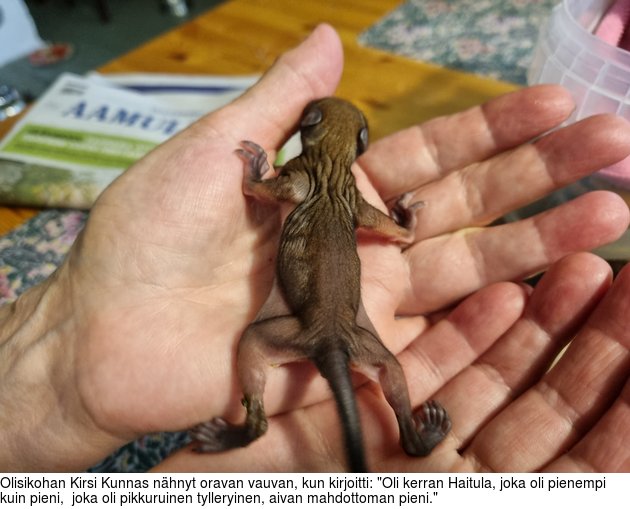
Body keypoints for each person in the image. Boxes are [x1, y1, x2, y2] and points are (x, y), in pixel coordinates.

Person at [1, 24, 630, 473]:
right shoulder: (353, 199)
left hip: (295, 326)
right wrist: (403, 217)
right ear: (358, 146)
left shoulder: (297, 178)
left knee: (253, 343)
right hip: (350, 333)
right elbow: (400, 235)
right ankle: (410, 430)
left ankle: (251, 421)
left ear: (306, 133)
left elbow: (258, 189)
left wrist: (255, 171)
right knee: (389, 367)